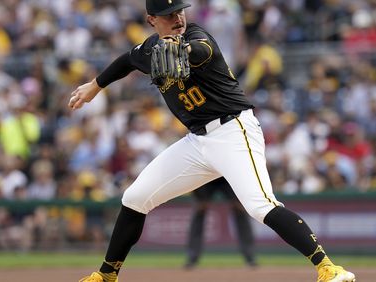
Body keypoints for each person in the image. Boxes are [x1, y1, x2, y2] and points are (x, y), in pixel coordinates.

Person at [70, 1, 356, 281]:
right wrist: (95, 86)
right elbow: (126, 60)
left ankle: (329, 269)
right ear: (151, 20)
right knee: (134, 198)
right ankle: (106, 276)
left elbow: (201, 51)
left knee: (260, 205)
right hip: (197, 142)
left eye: (179, 11)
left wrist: (182, 49)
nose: (177, 18)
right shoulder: (148, 50)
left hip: (234, 131)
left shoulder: (197, 37)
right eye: (168, 14)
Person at [184, 177, 257, 269]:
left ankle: (250, 257)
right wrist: (199, 195)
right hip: (205, 175)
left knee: (240, 210)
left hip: (228, 175)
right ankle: (192, 257)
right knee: (199, 210)